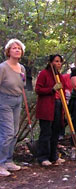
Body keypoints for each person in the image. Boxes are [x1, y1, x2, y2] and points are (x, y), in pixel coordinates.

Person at [0, 39, 26, 176]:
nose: (17, 50)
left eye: (19, 48)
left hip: (18, 100)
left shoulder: (22, 68)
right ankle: (1, 163)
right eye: (14, 48)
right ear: (8, 51)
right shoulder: (3, 68)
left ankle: (9, 160)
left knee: (15, 131)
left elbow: (22, 83)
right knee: (7, 132)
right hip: (4, 100)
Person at [35, 54, 66, 166]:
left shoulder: (59, 76)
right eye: (56, 61)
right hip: (46, 107)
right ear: (50, 62)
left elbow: (63, 88)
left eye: (60, 61)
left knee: (55, 132)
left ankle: (53, 156)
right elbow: (38, 89)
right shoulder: (44, 74)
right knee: (46, 132)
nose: (58, 64)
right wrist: (51, 89)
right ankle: (43, 157)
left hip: (57, 105)